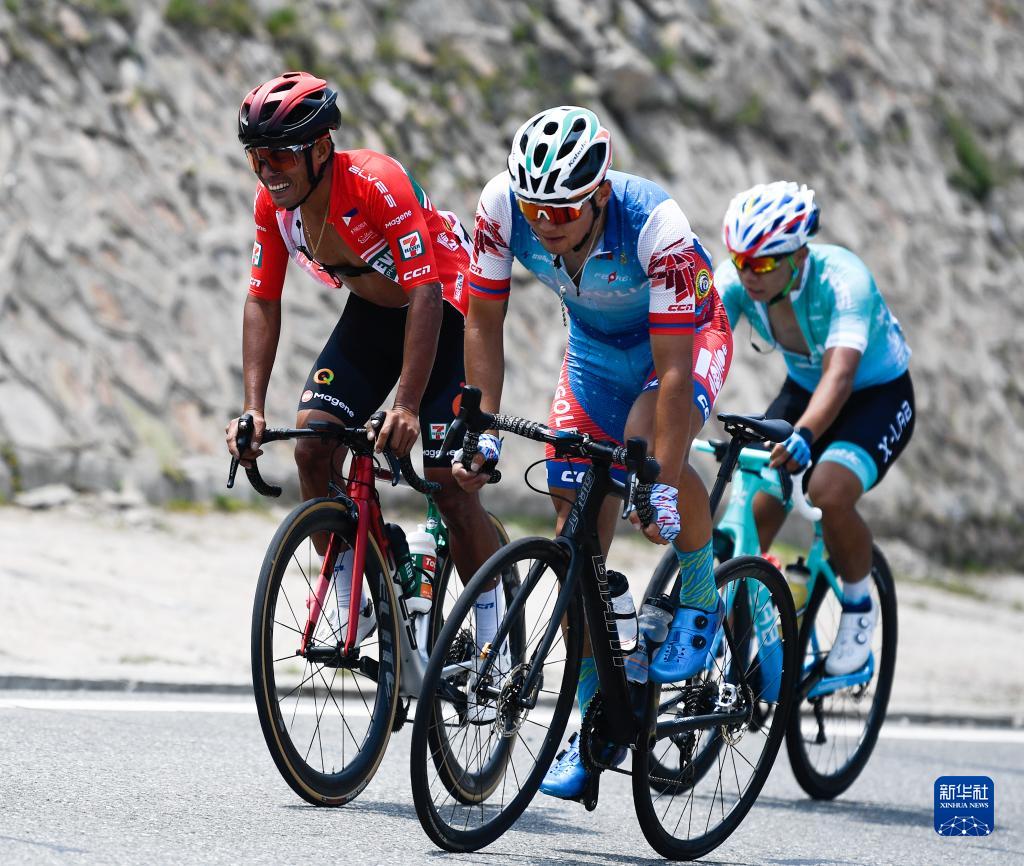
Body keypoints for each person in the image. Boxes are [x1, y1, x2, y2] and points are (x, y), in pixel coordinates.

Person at [454, 106, 733, 800]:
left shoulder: (655, 226)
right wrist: (481, 427)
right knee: (574, 543)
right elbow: (484, 320)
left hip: (683, 345)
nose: (544, 223)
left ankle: (701, 597)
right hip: (594, 358)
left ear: (601, 194)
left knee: (647, 449)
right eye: (535, 209)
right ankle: (592, 723)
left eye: (563, 210)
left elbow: (674, 373)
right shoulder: (501, 207)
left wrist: (659, 480)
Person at [224, 71, 501, 651]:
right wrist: (252, 408)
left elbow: (425, 293)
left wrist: (407, 406)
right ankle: (358, 594)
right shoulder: (274, 206)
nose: (268, 171)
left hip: (445, 304)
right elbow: (262, 298)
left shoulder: (377, 183)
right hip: (376, 310)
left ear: (321, 148)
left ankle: (492, 631)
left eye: (281, 155)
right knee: (312, 444)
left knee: (448, 486)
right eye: (257, 158)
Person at [718, 181, 914, 675]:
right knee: (757, 505)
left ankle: (858, 605)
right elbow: (700, 345)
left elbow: (841, 375)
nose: (748, 273)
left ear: (799, 255)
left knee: (827, 490)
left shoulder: (844, 279)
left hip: (876, 395)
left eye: (763, 263)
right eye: (740, 260)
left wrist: (804, 436)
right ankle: (743, 637)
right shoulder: (737, 280)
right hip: (806, 389)